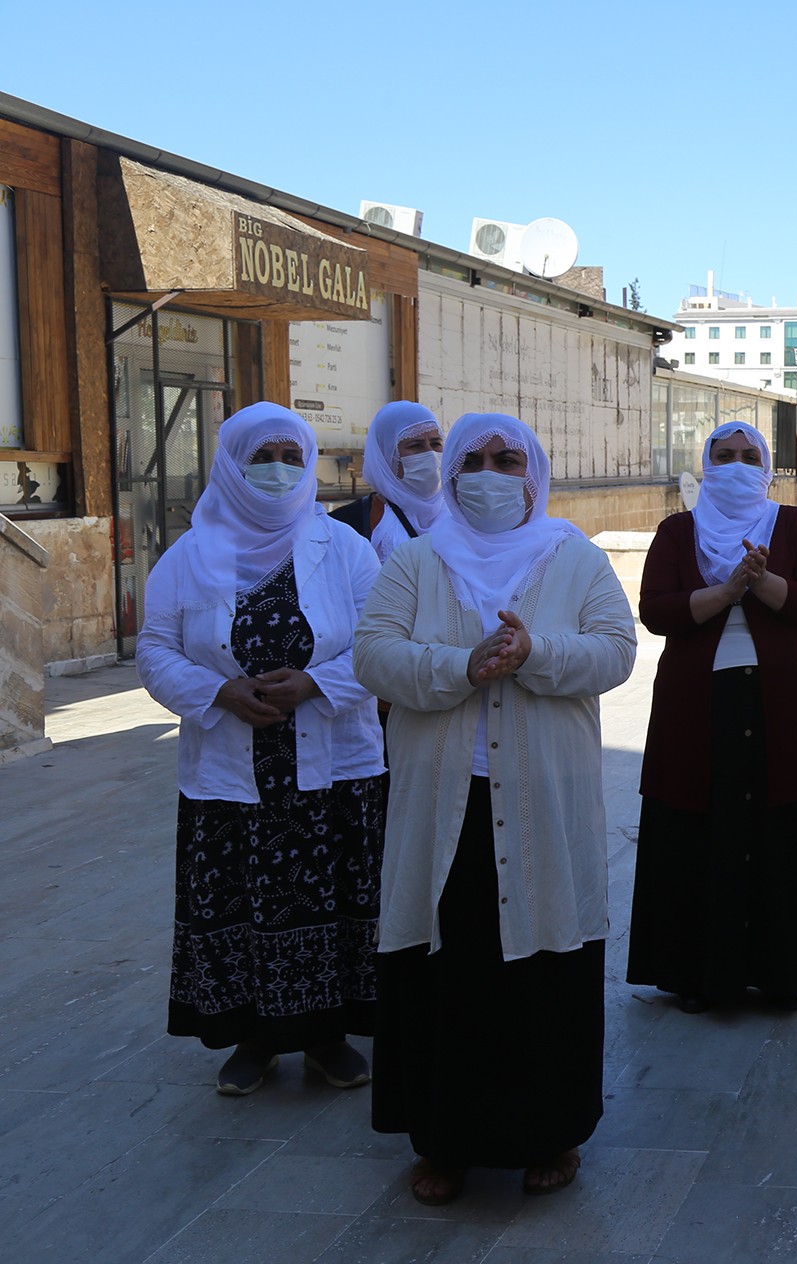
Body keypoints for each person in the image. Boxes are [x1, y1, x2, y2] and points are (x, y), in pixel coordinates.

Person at [355, 412, 637, 1206]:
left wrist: (535, 652)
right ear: (450, 475)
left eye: (506, 458)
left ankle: (550, 1134)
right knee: (448, 969)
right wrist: (463, 663)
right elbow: (373, 652)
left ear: (532, 471)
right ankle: (441, 1140)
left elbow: (615, 649)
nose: (488, 470)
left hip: (545, 800)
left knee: (541, 968)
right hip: (443, 799)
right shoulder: (416, 559)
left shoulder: (574, 558)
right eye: (472, 458)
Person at [135, 401, 385, 1097]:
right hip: (230, 773)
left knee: (331, 899)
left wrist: (315, 682)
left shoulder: (346, 549)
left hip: (332, 768)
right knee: (239, 905)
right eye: (261, 456)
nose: (277, 471)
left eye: (291, 457)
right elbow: (154, 648)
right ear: (230, 464)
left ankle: (329, 1038)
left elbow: (380, 642)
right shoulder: (191, 553)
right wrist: (215, 693)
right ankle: (252, 1038)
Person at [627, 420, 797, 1013]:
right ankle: (697, 973)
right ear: (705, 463)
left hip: (785, 702)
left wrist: (760, 581)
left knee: (782, 833)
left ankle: (781, 972)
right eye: (724, 456)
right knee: (699, 832)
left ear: (767, 465)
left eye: (750, 456)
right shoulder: (678, 531)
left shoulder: (792, 524)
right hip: (697, 703)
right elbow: (656, 610)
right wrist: (725, 593)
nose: (737, 465)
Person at [330, 401, 446, 563]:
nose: (431, 454)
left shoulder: (461, 514)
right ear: (386, 455)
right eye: (415, 445)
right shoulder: (346, 525)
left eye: (436, 444)